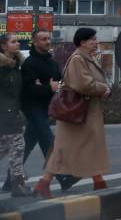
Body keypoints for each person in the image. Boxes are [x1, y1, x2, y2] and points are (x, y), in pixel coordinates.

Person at [34, 28, 111, 199]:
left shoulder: (87, 58)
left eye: (95, 39)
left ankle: (98, 182)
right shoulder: (78, 59)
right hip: (78, 113)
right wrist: (103, 89)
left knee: (80, 147)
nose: (95, 42)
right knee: (64, 149)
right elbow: (84, 84)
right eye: (92, 39)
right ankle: (44, 183)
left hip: (84, 112)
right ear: (82, 42)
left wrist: (103, 88)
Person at [8, 29, 79, 192]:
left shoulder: (52, 62)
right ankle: (64, 177)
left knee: (28, 143)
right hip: (32, 107)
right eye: (43, 39)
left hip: (46, 107)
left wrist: (51, 86)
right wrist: (49, 87)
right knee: (48, 140)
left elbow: (61, 83)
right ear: (34, 41)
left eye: (48, 38)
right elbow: (29, 89)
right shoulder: (29, 63)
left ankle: (9, 180)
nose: (47, 41)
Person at [0, 34, 31, 196]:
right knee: (18, 147)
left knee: (11, 149)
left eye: (18, 41)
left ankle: (18, 184)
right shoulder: (2, 67)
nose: (18, 43)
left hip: (12, 115)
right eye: (13, 41)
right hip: (4, 116)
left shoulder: (16, 65)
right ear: (4, 46)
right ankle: (18, 185)